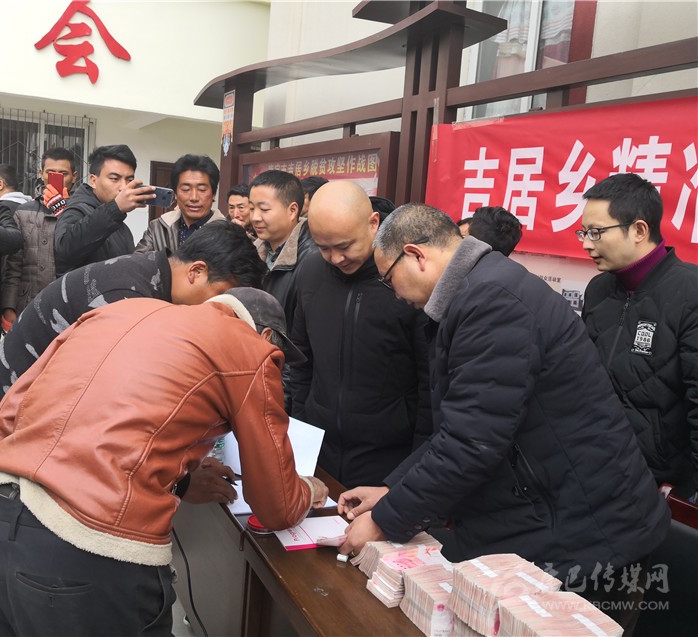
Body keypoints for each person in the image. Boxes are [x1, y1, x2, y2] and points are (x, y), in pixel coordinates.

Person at [339, 203, 669, 633]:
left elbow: (472, 441)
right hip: (553, 517)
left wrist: (385, 521)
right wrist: (392, 490)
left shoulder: (491, 300)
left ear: (416, 255)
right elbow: (458, 428)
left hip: (590, 536)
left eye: (388, 279)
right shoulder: (475, 291)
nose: (395, 294)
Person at [0, 288, 329, 636]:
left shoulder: (115, 312)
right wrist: (307, 490)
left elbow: (7, 416)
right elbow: (276, 506)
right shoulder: (251, 349)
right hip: (85, 559)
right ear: (266, 336)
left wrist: (178, 479)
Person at [0, 220, 265, 440]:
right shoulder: (128, 299)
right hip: (10, 420)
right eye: (222, 295)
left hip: (29, 411)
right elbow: (109, 411)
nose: (221, 310)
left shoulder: (149, 274)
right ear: (196, 272)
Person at [288, 181, 431, 488]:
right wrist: (302, 427)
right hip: (319, 449)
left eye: (344, 246)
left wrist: (414, 470)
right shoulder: (310, 271)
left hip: (388, 457)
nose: (336, 258)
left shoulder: (405, 279)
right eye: (324, 247)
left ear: (373, 223)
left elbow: (429, 382)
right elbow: (300, 359)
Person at [580, 173, 698, 501]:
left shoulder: (690, 291)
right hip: (594, 470)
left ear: (639, 230)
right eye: (584, 232)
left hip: (662, 487)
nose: (586, 243)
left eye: (596, 232)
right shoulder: (598, 290)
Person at [1, 147, 78, 327]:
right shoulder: (23, 211)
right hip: (27, 303)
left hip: (69, 304)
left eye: (63, 174)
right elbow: (13, 264)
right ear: (41, 173)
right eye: (50, 173)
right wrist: (9, 306)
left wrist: (64, 212)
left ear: (74, 176)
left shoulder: (82, 211)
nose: (56, 178)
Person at [54, 144, 154, 276]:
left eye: (129, 180)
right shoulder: (76, 210)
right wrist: (116, 208)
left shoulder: (122, 227)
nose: (123, 187)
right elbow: (64, 251)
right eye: (114, 179)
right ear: (93, 180)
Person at [250, 170, 316, 331]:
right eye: (251, 208)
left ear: (292, 210)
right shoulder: (251, 252)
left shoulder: (312, 258)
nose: (255, 217)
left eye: (264, 209)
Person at [135, 154, 226, 252]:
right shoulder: (158, 228)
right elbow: (137, 260)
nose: (194, 198)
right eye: (185, 189)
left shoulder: (228, 233)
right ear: (175, 194)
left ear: (213, 194)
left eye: (202, 189)